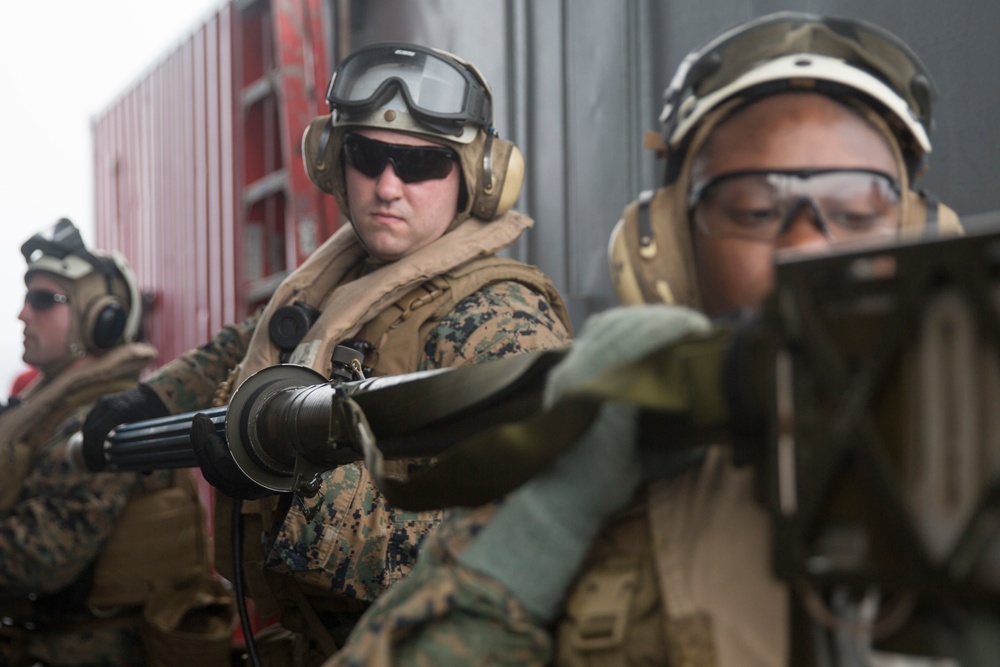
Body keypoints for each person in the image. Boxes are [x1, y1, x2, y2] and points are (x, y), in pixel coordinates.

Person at [321, 12, 995, 667]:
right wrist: (552, 515)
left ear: (920, 236)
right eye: (756, 210)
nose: (807, 244)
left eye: (855, 211)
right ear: (667, 252)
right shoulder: (602, 486)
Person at [82, 42, 572, 663]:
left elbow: (527, 540)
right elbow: (257, 339)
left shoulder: (496, 317)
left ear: (479, 176)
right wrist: (151, 395)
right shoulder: (343, 285)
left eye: (421, 163)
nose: (388, 185)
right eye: (368, 156)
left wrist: (290, 484)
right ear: (333, 161)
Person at [0, 219, 211, 666]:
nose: (23, 313)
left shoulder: (102, 422)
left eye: (43, 300)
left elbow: (42, 555)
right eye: (26, 298)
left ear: (100, 318)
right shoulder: (46, 406)